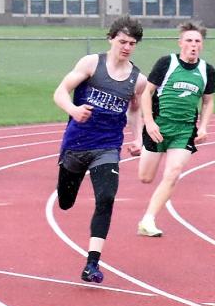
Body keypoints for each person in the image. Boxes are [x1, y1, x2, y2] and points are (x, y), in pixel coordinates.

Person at [53, 15, 146, 284]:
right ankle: (66, 180)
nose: (126, 47)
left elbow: (136, 109)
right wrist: (73, 109)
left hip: (107, 146)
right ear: (111, 39)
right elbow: (60, 91)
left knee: (106, 198)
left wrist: (137, 138)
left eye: (132, 43)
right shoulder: (91, 64)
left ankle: (92, 264)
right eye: (122, 41)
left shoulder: (137, 80)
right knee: (65, 202)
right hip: (76, 144)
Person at [136, 20, 215, 237]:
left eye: (197, 41)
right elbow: (146, 93)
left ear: (202, 45)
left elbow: (208, 101)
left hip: (184, 130)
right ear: (180, 42)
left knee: (173, 172)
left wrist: (204, 126)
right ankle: (141, 148)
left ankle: (148, 220)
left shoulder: (206, 70)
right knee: (145, 177)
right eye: (189, 40)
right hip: (158, 127)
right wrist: (149, 122)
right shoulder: (167, 63)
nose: (193, 44)